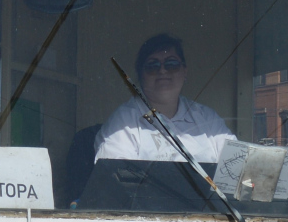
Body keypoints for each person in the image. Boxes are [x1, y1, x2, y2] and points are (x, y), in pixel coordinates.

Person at [94, 33, 235, 164]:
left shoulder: (207, 118)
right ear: (141, 75)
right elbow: (115, 182)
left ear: (184, 71)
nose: (162, 71)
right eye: (152, 66)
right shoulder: (123, 122)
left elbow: (236, 167)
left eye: (171, 64)